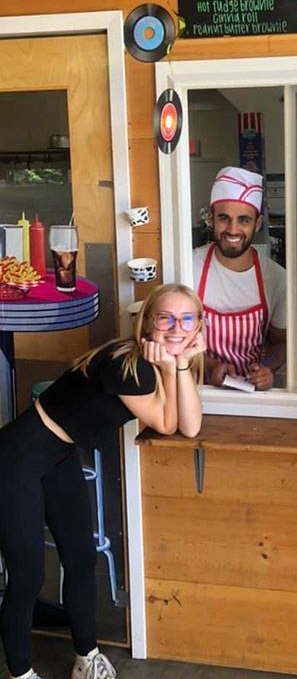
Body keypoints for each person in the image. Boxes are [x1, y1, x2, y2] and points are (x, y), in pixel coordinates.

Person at [0, 284, 205, 679]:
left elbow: (190, 426)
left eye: (187, 319)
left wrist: (180, 366)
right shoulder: (128, 364)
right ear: (147, 323)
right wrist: (171, 367)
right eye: (165, 318)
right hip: (15, 461)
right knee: (27, 577)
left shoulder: (159, 363)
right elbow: (166, 423)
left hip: (58, 456)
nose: (176, 328)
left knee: (80, 558)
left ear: (199, 325)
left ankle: (86, 658)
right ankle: (22, 674)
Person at [192, 166, 286, 390]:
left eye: (243, 220)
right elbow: (171, 338)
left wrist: (266, 368)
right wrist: (210, 365)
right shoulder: (189, 267)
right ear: (211, 219)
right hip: (196, 390)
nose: (233, 230)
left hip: (251, 396)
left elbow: (282, 342)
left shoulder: (276, 278)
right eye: (224, 218)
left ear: (258, 223)